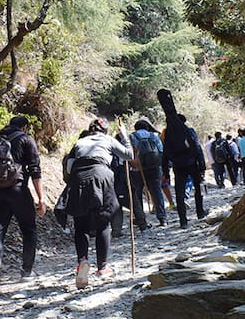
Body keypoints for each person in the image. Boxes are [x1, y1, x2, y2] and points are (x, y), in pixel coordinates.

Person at [66, 118, 133, 289]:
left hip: (79, 177)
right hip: (102, 175)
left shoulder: (79, 142)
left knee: (81, 224)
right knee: (103, 222)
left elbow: (69, 167)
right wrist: (124, 135)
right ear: (105, 131)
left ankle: (82, 261)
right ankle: (102, 267)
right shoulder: (108, 140)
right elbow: (129, 155)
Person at [0, 116, 45, 291]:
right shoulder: (26, 139)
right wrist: (41, 198)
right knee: (28, 229)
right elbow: (35, 169)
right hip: (17, 190)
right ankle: (26, 272)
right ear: (24, 127)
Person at [162, 115, 206, 227]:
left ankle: (183, 221)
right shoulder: (189, 131)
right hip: (192, 164)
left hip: (178, 166)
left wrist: (166, 172)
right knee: (198, 189)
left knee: (179, 193)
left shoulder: (168, 135)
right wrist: (202, 166)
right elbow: (197, 147)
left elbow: (165, 153)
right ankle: (200, 212)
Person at [129, 117, 169, 227]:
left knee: (137, 193)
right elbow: (161, 151)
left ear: (135, 128)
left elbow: (129, 153)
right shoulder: (154, 136)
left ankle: (141, 220)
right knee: (157, 192)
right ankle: (162, 218)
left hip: (137, 169)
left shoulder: (132, 136)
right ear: (147, 128)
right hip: (154, 167)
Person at [110, 132, 148, 237]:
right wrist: (135, 152)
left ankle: (116, 230)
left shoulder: (110, 150)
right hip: (124, 181)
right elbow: (134, 164)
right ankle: (143, 224)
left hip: (111, 181)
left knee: (116, 205)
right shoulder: (123, 151)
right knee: (134, 203)